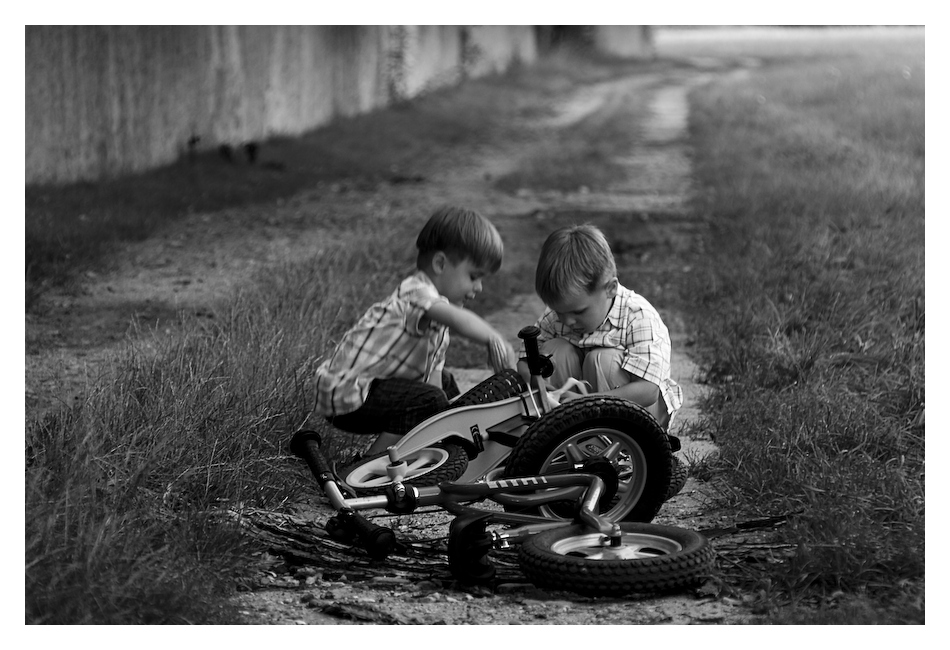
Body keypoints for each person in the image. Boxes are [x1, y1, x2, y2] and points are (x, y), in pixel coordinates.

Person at [315, 206, 516, 455]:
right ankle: (370, 464)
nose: (480, 287)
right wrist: (493, 338)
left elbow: (434, 378)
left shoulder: (437, 321)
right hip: (346, 393)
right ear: (441, 263)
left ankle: (438, 447)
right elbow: (459, 319)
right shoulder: (416, 292)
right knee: (429, 401)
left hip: (367, 391)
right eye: (474, 276)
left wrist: (441, 420)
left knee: (442, 390)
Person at [519, 224, 682, 429]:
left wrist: (590, 402)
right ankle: (561, 433)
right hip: (584, 411)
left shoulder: (638, 317)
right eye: (560, 312)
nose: (567, 321)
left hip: (640, 418)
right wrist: (541, 385)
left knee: (603, 359)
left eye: (578, 312)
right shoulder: (557, 317)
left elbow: (648, 391)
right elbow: (524, 363)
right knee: (554, 352)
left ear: (610, 289)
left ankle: (619, 446)